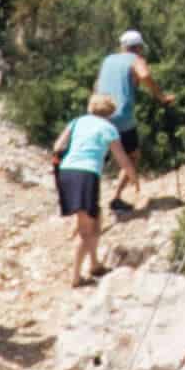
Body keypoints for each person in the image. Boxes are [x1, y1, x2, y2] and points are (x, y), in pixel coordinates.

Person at [53, 90, 127, 283]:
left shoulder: (77, 122)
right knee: (86, 228)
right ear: (110, 112)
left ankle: (94, 264)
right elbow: (122, 158)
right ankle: (75, 276)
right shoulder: (108, 128)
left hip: (67, 171)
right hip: (86, 174)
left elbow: (58, 147)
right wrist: (133, 177)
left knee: (96, 217)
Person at [91, 29, 152, 212]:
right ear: (139, 48)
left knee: (97, 160)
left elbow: (96, 85)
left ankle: (90, 201)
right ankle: (116, 198)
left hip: (100, 114)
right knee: (132, 156)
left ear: (122, 46)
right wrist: (160, 95)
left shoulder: (108, 60)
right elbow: (145, 75)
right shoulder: (137, 60)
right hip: (122, 117)